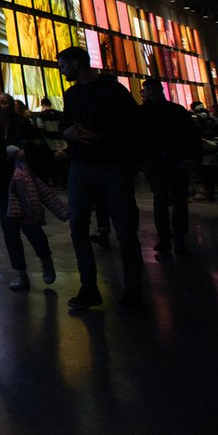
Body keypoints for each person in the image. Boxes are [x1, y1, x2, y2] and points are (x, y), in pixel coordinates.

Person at [56, 46, 143, 314]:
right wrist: (68, 133)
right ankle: (89, 288)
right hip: (82, 166)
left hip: (112, 166)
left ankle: (132, 292)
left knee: (125, 229)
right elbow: (65, 124)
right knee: (78, 226)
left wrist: (101, 137)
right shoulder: (72, 94)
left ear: (75, 63)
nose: (61, 70)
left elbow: (133, 127)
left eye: (62, 64)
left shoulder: (113, 91)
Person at [0, 93, 57, 291]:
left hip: (23, 181)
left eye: (3, 102)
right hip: (1, 184)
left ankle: (45, 259)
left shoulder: (24, 126)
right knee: (9, 228)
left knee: (30, 225)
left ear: (11, 106)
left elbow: (41, 149)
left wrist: (24, 152)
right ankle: (20, 271)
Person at [138, 79, 199, 258]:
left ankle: (167, 238)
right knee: (175, 200)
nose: (151, 92)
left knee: (163, 200)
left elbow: (138, 139)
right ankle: (175, 238)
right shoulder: (175, 111)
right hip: (169, 161)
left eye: (152, 89)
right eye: (148, 89)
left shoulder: (144, 113)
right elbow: (191, 135)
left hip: (162, 162)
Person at [32, 98, 68, 187]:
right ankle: (64, 182)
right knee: (64, 164)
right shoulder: (60, 114)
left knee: (52, 164)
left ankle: (55, 182)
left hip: (49, 143)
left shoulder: (41, 115)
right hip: (62, 142)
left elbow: (40, 129)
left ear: (42, 104)